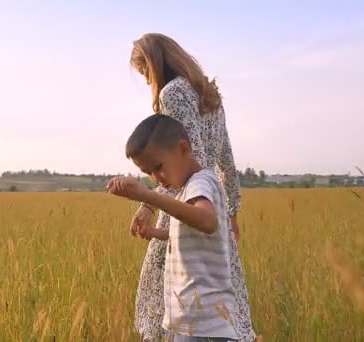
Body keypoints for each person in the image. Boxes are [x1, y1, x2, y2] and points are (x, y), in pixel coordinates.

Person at [128, 33, 255, 341]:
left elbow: (185, 164)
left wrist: (147, 203)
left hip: (187, 202)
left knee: (168, 309)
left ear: (156, 63)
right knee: (223, 307)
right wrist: (232, 211)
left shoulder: (172, 94)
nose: (147, 82)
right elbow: (226, 158)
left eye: (145, 72)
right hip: (212, 200)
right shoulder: (208, 95)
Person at [108, 114, 240, 341]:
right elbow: (191, 236)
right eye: (148, 172)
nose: (156, 178)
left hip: (206, 326)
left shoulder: (202, 182)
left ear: (183, 148)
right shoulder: (186, 189)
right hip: (190, 322)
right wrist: (155, 233)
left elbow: (207, 221)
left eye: (158, 167)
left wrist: (147, 196)